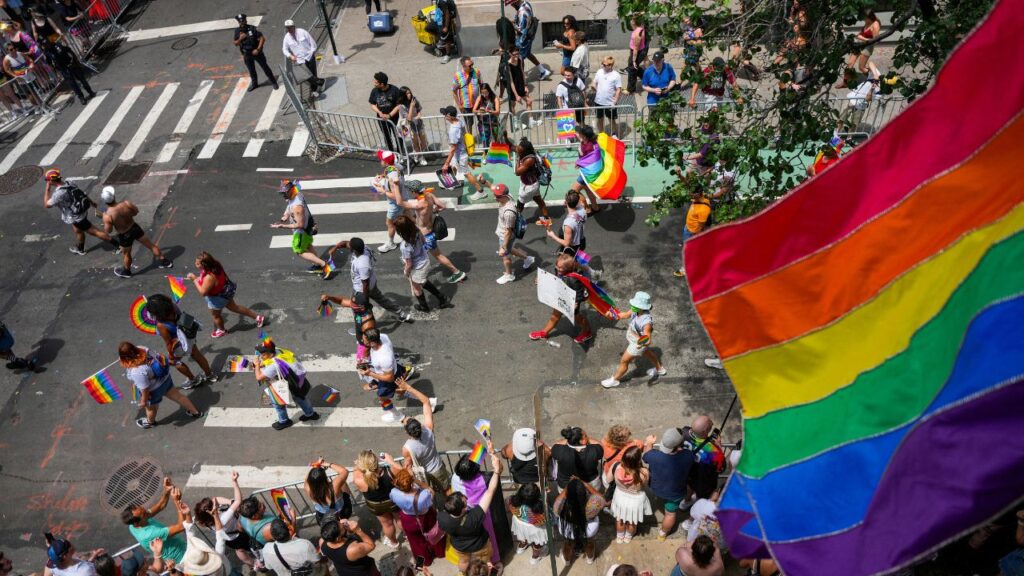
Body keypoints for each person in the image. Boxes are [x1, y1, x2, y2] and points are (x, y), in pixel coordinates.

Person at [437, 450, 503, 574]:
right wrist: (493, 456)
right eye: (464, 501)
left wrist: (485, 449)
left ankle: (463, 572)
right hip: (479, 546)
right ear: (463, 510)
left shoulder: (442, 518)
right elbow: (490, 491)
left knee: (463, 561)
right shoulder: (474, 518)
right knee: (484, 562)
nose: (466, 498)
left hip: (460, 547)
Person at [119, 341, 204, 429]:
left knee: (151, 408)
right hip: (166, 380)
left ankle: (150, 422)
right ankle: (195, 412)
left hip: (154, 390)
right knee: (178, 396)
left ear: (125, 358)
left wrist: (143, 401)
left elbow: (145, 388)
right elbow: (158, 357)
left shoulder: (136, 371)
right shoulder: (143, 348)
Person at [397, 181, 466, 284]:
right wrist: (433, 211)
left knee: (438, 255)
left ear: (414, 192)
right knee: (421, 252)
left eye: (411, 191)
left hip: (425, 236)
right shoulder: (429, 195)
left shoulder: (420, 204)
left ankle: (457, 272)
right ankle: (412, 265)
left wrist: (396, 187)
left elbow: (400, 203)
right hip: (429, 230)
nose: (411, 194)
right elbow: (443, 206)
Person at [328, 237, 411, 323]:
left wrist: (365, 300)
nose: (348, 245)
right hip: (371, 283)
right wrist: (335, 248)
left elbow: (365, 284)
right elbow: (345, 243)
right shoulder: (364, 247)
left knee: (356, 308)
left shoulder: (362, 264)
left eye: (350, 245)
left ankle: (360, 326)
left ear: (353, 249)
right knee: (382, 300)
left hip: (361, 289)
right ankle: (401, 314)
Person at [144, 294, 217, 390]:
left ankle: (193, 380)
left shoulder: (161, 325)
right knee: (197, 355)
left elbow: (169, 342)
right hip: (188, 336)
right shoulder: (172, 306)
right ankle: (210, 375)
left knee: (176, 362)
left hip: (179, 344)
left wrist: (171, 356)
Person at [186, 251, 265, 338]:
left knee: (216, 316)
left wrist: (194, 279)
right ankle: (258, 317)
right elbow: (207, 283)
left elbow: (203, 292)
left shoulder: (209, 277)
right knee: (235, 307)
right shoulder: (216, 265)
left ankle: (221, 330)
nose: (195, 264)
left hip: (216, 299)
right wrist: (197, 279)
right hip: (225, 293)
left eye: (197, 263)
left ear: (204, 264)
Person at [99, 186, 172, 278]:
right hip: (134, 227)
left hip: (124, 235)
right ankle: (165, 261)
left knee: (127, 254)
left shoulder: (107, 215)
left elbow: (108, 230)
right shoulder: (126, 204)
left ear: (105, 201)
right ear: (114, 196)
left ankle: (127, 271)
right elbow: (136, 212)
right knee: (150, 245)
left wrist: (106, 221)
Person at [602, 291, 667, 387]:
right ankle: (660, 369)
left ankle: (614, 380)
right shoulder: (636, 310)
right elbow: (624, 315)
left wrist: (640, 345)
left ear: (642, 307)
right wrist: (612, 315)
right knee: (646, 352)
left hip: (637, 343)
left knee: (624, 361)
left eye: (635, 305)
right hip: (633, 337)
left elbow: (647, 339)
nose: (632, 306)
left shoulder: (646, 322)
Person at [43, 169, 114, 256]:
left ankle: (118, 245)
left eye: (47, 180)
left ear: (51, 180)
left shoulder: (58, 194)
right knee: (78, 231)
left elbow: (47, 205)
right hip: (81, 211)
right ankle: (80, 249)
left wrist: (47, 189)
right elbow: (81, 193)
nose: (47, 182)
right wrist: (92, 203)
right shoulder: (69, 182)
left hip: (76, 217)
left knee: (95, 232)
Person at [389, 468, 446, 575]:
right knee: (434, 535)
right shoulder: (423, 496)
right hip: (426, 518)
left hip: (407, 520)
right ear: (411, 482)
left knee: (416, 543)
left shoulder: (394, 493)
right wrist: (417, 480)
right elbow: (431, 491)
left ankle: (423, 563)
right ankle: (439, 553)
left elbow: (392, 498)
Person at [192, 471, 255, 568]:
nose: (215, 501)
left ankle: (252, 564)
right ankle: (258, 562)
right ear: (213, 509)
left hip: (229, 539)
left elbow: (215, 499)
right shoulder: (223, 518)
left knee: (239, 550)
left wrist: (230, 502)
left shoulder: (204, 521)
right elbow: (238, 500)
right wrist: (234, 482)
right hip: (239, 535)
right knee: (251, 546)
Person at [254, 337, 319, 430]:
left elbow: (259, 377)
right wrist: (263, 363)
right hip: (297, 379)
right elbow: (270, 361)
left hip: (288, 383)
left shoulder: (273, 365)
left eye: (263, 355)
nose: (260, 357)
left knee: (278, 403)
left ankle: (284, 421)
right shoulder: (278, 350)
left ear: (271, 354)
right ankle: (311, 414)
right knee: (300, 397)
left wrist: (256, 365)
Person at [528, 252, 593, 343]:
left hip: (571, 303)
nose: (557, 269)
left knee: (578, 319)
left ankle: (587, 332)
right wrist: (541, 280)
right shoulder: (557, 270)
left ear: (568, 268)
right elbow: (551, 278)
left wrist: (576, 303)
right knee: (554, 316)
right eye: (557, 266)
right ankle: (544, 333)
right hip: (560, 298)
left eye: (560, 268)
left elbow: (579, 293)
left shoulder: (574, 279)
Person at [122, 479, 188, 566]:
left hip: (183, 548)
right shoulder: (150, 534)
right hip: (181, 558)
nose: (147, 512)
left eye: (142, 508)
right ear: (137, 523)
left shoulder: (133, 524)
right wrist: (177, 502)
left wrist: (166, 491)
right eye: (144, 513)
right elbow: (182, 527)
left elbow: (161, 505)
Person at [399, 378, 449, 492]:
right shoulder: (429, 429)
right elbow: (426, 401)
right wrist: (409, 388)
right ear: (420, 425)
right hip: (438, 468)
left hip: (423, 474)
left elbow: (407, 463)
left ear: (407, 432)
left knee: (428, 492)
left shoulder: (407, 448)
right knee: (446, 489)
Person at [393, 215, 452, 312]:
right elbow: (424, 241)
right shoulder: (416, 230)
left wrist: (406, 272)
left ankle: (425, 306)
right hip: (425, 260)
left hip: (418, 267)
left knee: (416, 287)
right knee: (423, 281)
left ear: (400, 231)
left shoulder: (405, 246)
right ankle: (442, 298)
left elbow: (409, 264)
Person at [642, 429, 693, 540]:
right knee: (670, 514)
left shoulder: (654, 456)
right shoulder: (688, 456)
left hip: (656, 489)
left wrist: (649, 443)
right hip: (675, 494)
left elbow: (645, 455)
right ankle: (662, 534)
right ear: (679, 446)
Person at [273, 180, 330, 276]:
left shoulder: (297, 208)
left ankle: (324, 265)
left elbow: (299, 225)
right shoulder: (297, 193)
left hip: (301, 232)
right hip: (308, 226)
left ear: (290, 190)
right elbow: (289, 204)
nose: (283, 195)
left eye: (284, 192)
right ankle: (317, 264)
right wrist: (285, 216)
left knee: (299, 250)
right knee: (307, 246)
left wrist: (282, 226)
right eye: (282, 193)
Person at [352, 450, 401, 548]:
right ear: (376, 461)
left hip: (376, 506)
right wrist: (391, 461)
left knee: (387, 525)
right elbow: (403, 470)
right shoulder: (390, 471)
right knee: (400, 519)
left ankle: (394, 543)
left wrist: (357, 465)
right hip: (394, 501)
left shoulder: (358, 480)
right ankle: (409, 535)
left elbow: (356, 471)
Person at [544, 190, 598, 278]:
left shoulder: (568, 223)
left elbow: (566, 243)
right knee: (578, 260)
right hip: (581, 241)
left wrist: (552, 236)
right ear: (578, 202)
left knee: (564, 266)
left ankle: (565, 281)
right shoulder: (582, 208)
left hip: (572, 247)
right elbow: (581, 202)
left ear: (566, 202)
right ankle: (593, 274)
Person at [358, 328, 408, 422]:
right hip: (391, 368)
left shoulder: (384, 358)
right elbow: (368, 348)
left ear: (372, 343)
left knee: (382, 398)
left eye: (364, 340)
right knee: (400, 389)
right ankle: (426, 400)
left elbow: (389, 378)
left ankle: (397, 415)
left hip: (388, 378)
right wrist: (364, 359)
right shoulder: (382, 337)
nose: (362, 341)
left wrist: (370, 373)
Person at [553, 477, 605, 565]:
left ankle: (567, 560)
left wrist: (568, 487)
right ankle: (590, 558)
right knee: (589, 542)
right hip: (588, 530)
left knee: (568, 543)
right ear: (584, 493)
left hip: (568, 530)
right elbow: (601, 498)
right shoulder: (593, 504)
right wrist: (585, 484)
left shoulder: (560, 506)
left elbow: (556, 502)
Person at [606, 446, 651, 544]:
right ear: (639, 460)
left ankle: (619, 537)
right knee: (632, 522)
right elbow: (645, 486)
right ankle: (628, 537)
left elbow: (608, 480)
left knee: (620, 520)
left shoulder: (616, 466)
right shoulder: (644, 472)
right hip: (636, 501)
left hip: (620, 498)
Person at [441, 105, 487, 200]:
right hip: (461, 151)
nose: (444, 116)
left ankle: (481, 191)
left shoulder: (453, 130)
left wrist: (446, 163)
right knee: (453, 166)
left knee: (466, 173)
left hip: (460, 154)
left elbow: (453, 148)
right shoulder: (459, 120)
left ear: (450, 115)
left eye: (445, 114)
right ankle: (450, 183)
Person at [491, 183, 535, 285]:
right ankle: (527, 259)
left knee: (505, 257)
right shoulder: (506, 196)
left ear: (503, 196)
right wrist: (485, 182)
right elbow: (493, 188)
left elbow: (508, 231)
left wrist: (503, 247)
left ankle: (509, 275)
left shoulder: (509, 213)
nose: (495, 197)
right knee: (510, 249)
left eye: (497, 196)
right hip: (504, 233)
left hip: (505, 236)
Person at [371, 149, 409, 254]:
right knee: (405, 219)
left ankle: (391, 243)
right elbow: (392, 171)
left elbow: (395, 196)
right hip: (404, 196)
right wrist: (383, 177)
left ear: (386, 162)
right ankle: (408, 238)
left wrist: (382, 190)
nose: (380, 161)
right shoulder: (395, 166)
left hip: (395, 203)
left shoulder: (393, 175)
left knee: (390, 223)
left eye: (381, 159)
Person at [682, 415, 726, 500]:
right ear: (705, 432)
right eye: (710, 423)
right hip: (703, 480)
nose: (712, 423)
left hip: (688, 472)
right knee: (702, 496)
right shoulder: (713, 450)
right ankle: (698, 506)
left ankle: (686, 501)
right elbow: (722, 468)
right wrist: (719, 447)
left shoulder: (684, 432)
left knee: (689, 487)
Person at [38, 37, 93, 105]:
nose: (47, 45)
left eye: (47, 43)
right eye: (45, 44)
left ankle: (90, 91)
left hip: (71, 64)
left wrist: (76, 61)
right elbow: (50, 64)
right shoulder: (47, 53)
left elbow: (69, 51)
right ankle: (81, 97)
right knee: (73, 84)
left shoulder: (58, 45)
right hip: (63, 69)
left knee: (82, 79)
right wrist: (57, 73)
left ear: (49, 41)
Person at [674, 187, 713, 277]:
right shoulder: (702, 198)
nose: (690, 195)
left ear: (699, 193)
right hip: (688, 227)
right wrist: (680, 175)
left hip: (691, 232)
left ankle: (685, 269)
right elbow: (687, 184)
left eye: (692, 193)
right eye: (690, 192)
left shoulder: (703, 209)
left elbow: (701, 225)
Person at [233, 14, 277, 91]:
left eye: (243, 21)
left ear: (245, 20)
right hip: (246, 54)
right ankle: (255, 84)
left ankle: (273, 82)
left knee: (265, 67)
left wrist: (258, 49)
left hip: (257, 53)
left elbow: (262, 38)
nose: (242, 23)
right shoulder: (237, 31)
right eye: (240, 22)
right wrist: (240, 39)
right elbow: (235, 43)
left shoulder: (252, 28)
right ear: (238, 22)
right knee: (251, 70)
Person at [551, 426, 604, 490]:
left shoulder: (559, 450)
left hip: (565, 485)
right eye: (586, 436)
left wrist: (571, 439)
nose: (587, 437)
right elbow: (600, 445)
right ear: (582, 441)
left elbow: (557, 444)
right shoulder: (594, 450)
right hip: (590, 484)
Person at [508, 0, 550, 79]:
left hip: (524, 39)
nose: (511, 6)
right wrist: (514, 21)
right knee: (527, 54)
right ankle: (543, 71)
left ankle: (521, 79)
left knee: (520, 58)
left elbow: (521, 29)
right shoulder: (525, 3)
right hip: (528, 36)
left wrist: (511, 24)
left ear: (516, 2)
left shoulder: (522, 11)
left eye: (512, 4)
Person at [506, 483, 547, 564]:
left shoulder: (512, 501)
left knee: (522, 536)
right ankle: (535, 558)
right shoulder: (538, 511)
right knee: (537, 542)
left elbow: (508, 504)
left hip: (519, 525)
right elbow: (544, 520)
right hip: (534, 529)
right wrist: (545, 497)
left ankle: (521, 546)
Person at [305, 458, 354, 525]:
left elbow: (307, 478)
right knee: (343, 484)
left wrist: (316, 467)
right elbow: (344, 471)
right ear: (325, 478)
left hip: (323, 517)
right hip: (341, 513)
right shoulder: (334, 486)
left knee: (333, 531)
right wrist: (327, 464)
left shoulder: (307, 488)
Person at [282, 20, 325, 92]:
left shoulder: (302, 32)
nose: (289, 29)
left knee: (313, 74)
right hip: (300, 60)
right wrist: (290, 56)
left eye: (290, 27)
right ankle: (321, 82)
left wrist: (312, 53)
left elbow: (312, 43)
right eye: (287, 28)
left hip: (309, 56)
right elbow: (284, 49)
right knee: (307, 76)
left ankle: (314, 89)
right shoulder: (286, 38)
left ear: (294, 27)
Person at [568, 125, 602, 213]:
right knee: (587, 189)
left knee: (573, 191)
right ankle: (595, 207)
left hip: (587, 173)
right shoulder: (593, 143)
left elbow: (587, 159)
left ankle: (587, 209)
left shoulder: (588, 146)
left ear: (585, 136)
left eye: (581, 134)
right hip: (591, 173)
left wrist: (579, 162)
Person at [368, 71, 403, 152]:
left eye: (376, 82)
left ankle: (400, 152)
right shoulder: (374, 91)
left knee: (398, 136)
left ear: (382, 84)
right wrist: (379, 113)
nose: (374, 83)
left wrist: (389, 115)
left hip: (395, 119)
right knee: (387, 137)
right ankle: (391, 152)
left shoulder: (395, 90)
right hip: (382, 120)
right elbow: (372, 104)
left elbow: (399, 105)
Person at [2, 41, 39, 113]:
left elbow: (29, 59)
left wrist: (32, 64)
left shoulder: (20, 53)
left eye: (14, 48)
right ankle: (36, 107)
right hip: (21, 79)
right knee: (29, 94)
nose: (14, 50)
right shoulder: (6, 59)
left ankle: (40, 104)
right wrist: (15, 76)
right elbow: (6, 69)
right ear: (7, 51)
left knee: (34, 91)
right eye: (11, 50)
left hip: (29, 75)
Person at [503, 49, 536, 129]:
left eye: (518, 53)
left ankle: (531, 120)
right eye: (515, 54)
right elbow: (511, 81)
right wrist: (516, 95)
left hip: (521, 85)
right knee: (513, 105)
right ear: (510, 54)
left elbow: (522, 72)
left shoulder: (520, 59)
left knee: (529, 101)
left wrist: (525, 85)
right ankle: (515, 122)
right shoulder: (508, 65)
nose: (517, 56)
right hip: (513, 87)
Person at [592, 56, 622, 136]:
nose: (603, 66)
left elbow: (619, 89)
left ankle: (613, 134)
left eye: (605, 65)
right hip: (599, 101)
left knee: (611, 120)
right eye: (602, 64)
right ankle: (601, 134)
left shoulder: (616, 75)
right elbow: (594, 82)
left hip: (610, 103)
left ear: (610, 65)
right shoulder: (599, 72)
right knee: (600, 119)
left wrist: (615, 102)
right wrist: (594, 87)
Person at [398, 86, 428, 165]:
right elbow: (409, 118)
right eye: (407, 93)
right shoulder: (401, 106)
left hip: (419, 124)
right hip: (410, 126)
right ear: (403, 95)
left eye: (409, 92)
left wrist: (418, 115)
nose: (409, 94)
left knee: (423, 142)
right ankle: (421, 157)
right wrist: (411, 106)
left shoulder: (414, 100)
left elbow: (419, 110)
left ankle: (417, 154)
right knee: (415, 143)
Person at [846, 11, 881, 77]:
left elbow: (876, 41)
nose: (863, 20)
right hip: (859, 44)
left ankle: (875, 76)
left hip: (867, 47)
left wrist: (863, 38)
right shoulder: (867, 23)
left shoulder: (875, 24)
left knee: (861, 68)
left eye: (864, 18)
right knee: (850, 64)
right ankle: (845, 82)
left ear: (869, 17)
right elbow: (861, 34)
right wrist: (859, 36)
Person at [451, 57, 480, 133]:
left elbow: (482, 85)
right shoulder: (457, 76)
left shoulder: (476, 72)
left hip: (478, 103)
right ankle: (470, 139)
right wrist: (459, 105)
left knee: (482, 120)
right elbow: (454, 92)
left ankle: (484, 137)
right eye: (470, 66)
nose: (472, 67)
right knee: (469, 123)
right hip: (466, 105)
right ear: (464, 66)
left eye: (472, 64)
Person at [472, 82, 499, 148]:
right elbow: (474, 110)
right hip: (483, 123)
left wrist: (490, 111)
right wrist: (480, 110)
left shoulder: (494, 98)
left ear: (489, 90)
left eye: (486, 92)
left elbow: (497, 111)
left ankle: (496, 154)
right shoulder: (479, 98)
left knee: (496, 139)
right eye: (482, 93)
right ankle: (486, 152)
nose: (484, 95)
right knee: (484, 140)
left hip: (493, 122)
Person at [625, 16, 646, 94]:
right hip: (639, 51)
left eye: (632, 20)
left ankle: (630, 89)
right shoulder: (641, 27)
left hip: (637, 52)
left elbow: (636, 49)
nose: (630, 22)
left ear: (634, 23)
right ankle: (647, 78)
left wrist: (633, 60)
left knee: (632, 69)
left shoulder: (637, 34)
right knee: (636, 67)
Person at [435, 0, 457, 64]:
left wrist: (446, 27)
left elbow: (447, 14)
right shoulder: (439, 1)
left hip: (445, 23)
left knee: (447, 39)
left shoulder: (442, 2)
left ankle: (448, 55)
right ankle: (442, 41)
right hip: (440, 20)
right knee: (429, 28)